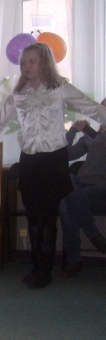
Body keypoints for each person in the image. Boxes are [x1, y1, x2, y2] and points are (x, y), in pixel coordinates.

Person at [0, 43, 106, 288]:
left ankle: (45, 271)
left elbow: (91, 107)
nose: (27, 66)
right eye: (23, 62)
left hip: (54, 160)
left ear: (44, 63)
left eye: (32, 61)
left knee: (48, 217)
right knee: (34, 218)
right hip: (30, 161)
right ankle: (37, 267)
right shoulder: (18, 95)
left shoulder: (60, 87)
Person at [58, 108, 106, 277]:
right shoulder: (90, 137)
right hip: (81, 185)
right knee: (67, 181)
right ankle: (93, 234)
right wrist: (72, 131)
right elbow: (65, 155)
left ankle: (74, 260)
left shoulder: (96, 136)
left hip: (102, 189)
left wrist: (95, 133)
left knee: (67, 203)